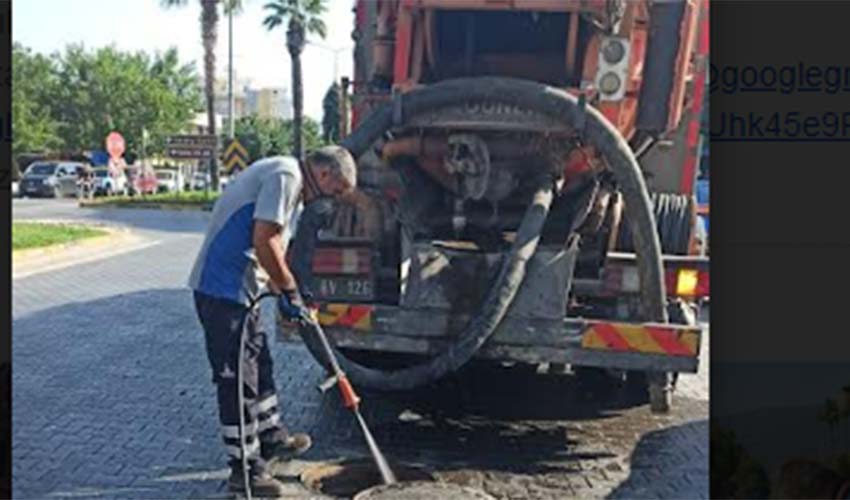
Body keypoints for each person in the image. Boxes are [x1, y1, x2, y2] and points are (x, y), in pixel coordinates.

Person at [188, 146, 357, 496]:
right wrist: (289, 290)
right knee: (237, 380)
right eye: (336, 191)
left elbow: (278, 243)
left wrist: (291, 290)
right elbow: (264, 240)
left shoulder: (289, 182)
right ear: (323, 175)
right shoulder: (286, 176)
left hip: (243, 290)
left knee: (259, 362)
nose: (332, 201)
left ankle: (271, 437)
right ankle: (245, 470)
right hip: (221, 289)